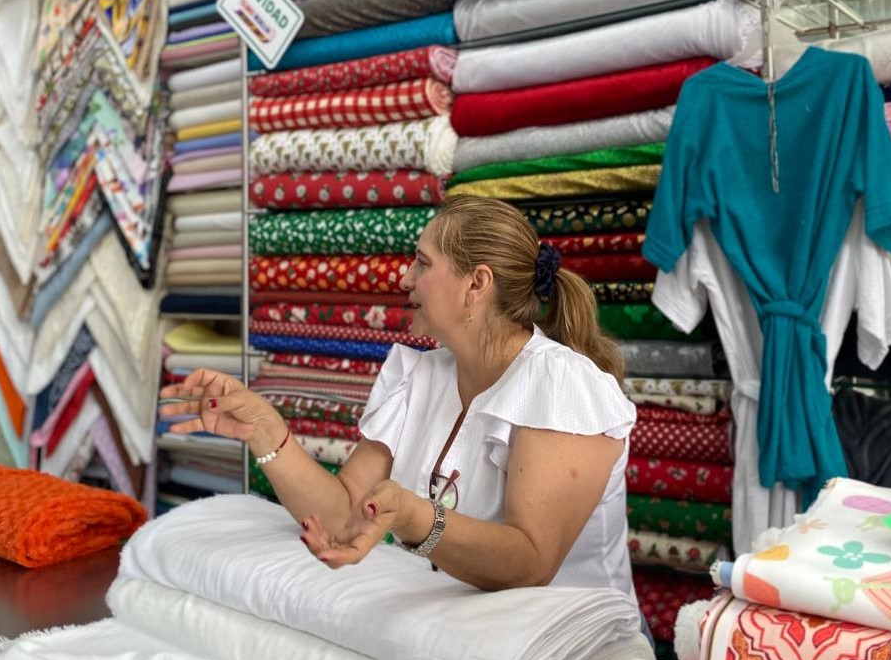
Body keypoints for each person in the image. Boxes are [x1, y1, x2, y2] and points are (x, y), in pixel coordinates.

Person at [160, 196, 639, 598]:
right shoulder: (419, 376)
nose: (405, 279)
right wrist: (265, 431)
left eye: (422, 263)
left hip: (569, 646)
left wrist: (415, 517)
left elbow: (530, 563)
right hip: (467, 632)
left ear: (476, 284)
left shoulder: (560, 384)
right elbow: (344, 516)